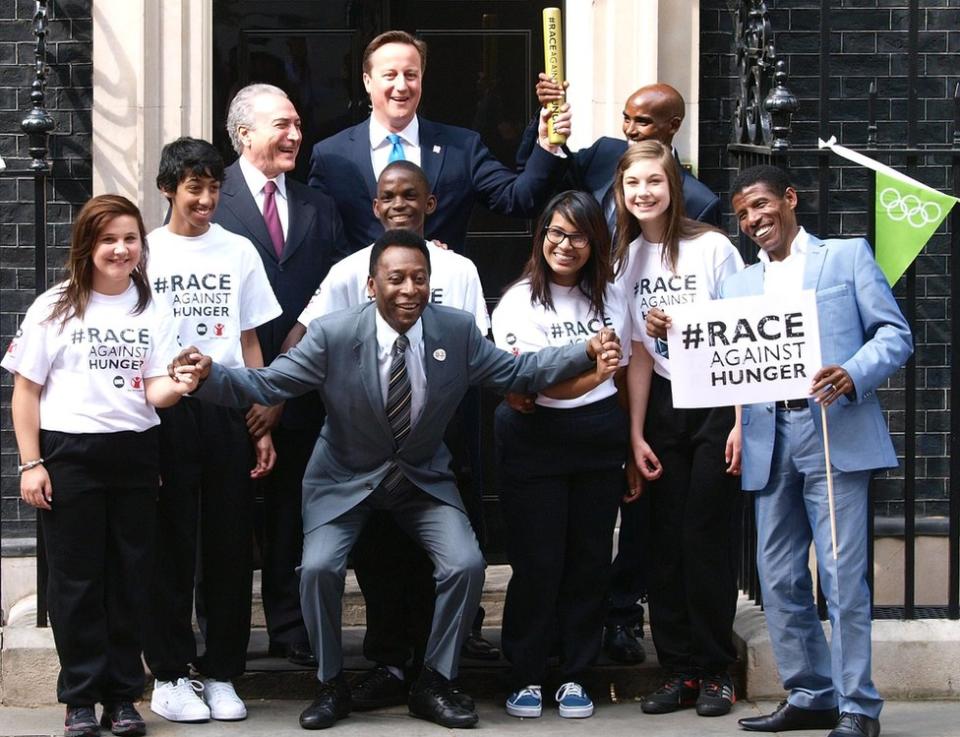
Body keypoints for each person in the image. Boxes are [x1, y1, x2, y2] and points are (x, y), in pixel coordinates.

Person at [170, 229, 622, 730]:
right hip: (344, 477)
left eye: (420, 279)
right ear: (371, 285)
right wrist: (211, 377)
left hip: (422, 476)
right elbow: (270, 382)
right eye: (397, 279)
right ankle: (330, 683)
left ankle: (436, 679)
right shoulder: (333, 334)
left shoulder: (457, 331)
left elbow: (520, 373)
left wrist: (583, 352)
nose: (410, 289)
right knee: (318, 569)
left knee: (466, 563)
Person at [519, 79, 721, 664]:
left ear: (673, 134)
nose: (631, 131)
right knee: (637, 510)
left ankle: (645, 627)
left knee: (681, 528)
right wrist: (549, 128)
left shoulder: (704, 214)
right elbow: (544, 185)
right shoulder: (604, 159)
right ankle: (625, 621)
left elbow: (728, 317)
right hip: (627, 376)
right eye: (628, 119)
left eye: (646, 125)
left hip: (694, 393)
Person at [286, 160, 495, 711]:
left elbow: (490, 361)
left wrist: (586, 360)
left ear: (431, 203)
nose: (399, 204)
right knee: (363, 567)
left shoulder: (461, 272)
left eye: (411, 195)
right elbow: (303, 344)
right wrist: (260, 397)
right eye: (388, 195)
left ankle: (433, 678)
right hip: (357, 462)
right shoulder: (349, 271)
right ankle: (364, 674)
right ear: (375, 205)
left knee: (455, 562)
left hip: (429, 452)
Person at [719, 165, 911, 737]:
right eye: (744, 214)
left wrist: (853, 372)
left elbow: (894, 333)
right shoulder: (737, 286)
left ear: (790, 199)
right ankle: (811, 693)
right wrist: (664, 331)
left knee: (842, 575)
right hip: (767, 437)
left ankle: (858, 706)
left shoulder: (845, 257)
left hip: (833, 431)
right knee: (776, 576)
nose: (754, 220)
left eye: (760, 205)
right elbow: (725, 360)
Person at [2, 195, 192, 737]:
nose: (120, 248)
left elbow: (154, 390)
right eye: (109, 239)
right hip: (70, 455)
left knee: (130, 578)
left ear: (141, 245)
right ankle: (81, 699)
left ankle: (123, 696)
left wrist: (178, 385)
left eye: (130, 238)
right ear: (87, 245)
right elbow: (25, 391)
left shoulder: (151, 307)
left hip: (134, 453)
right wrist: (31, 463)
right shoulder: (55, 305)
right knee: (77, 581)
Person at [142, 137, 282, 723]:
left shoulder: (240, 250)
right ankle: (171, 673)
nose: (205, 198)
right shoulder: (143, 252)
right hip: (166, 410)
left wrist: (262, 416)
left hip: (226, 405)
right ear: (169, 188)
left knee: (228, 544)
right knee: (171, 543)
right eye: (194, 187)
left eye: (214, 187)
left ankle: (222, 671)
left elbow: (250, 338)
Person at [214, 83, 347, 668]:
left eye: (297, 123)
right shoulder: (209, 201)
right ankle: (223, 637)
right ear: (244, 134)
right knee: (224, 517)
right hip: (224, 393)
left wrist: (284, 387)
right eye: (282, 125)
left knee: (293, 510)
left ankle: (290, 627)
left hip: (302, 388)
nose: (296, 135)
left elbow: (336, 303)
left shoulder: (320, 207)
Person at [616, 140, 744, 717]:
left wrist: (742, 422)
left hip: (717, 399)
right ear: (621, 192)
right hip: (663, 403)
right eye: (633, 184)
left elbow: (742, 334)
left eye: (654, 182)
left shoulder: (713, 247)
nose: (644, 193)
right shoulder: (623, 262)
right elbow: (639, 353)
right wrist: (636, 433)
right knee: (663, 543)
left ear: (675, 185)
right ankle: (678, 670)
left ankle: (717, 671)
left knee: (704, 538)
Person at [492, 190, 631, 719]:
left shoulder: (613, 298)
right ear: (541, 236)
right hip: (534, 438)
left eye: (577, 235)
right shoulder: (519, 301)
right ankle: (526, 673)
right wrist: (594, 371)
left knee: (590, 559)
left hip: (598, 434)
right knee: (537, 560)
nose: (564, 245)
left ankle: (576, 672)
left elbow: (627, 372)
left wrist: (629, 432)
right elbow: (529, 386)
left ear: (595, 241)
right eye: (555, 232)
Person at [308, 30, 568, 252]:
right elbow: (318, 238)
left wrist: (547, 143)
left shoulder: (462, 148)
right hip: (360, 303)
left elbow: (519, 199)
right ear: (367, 81)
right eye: (390, 75)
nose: (402, 86)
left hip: (441, 301)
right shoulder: (332, 156)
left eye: (411, 75)